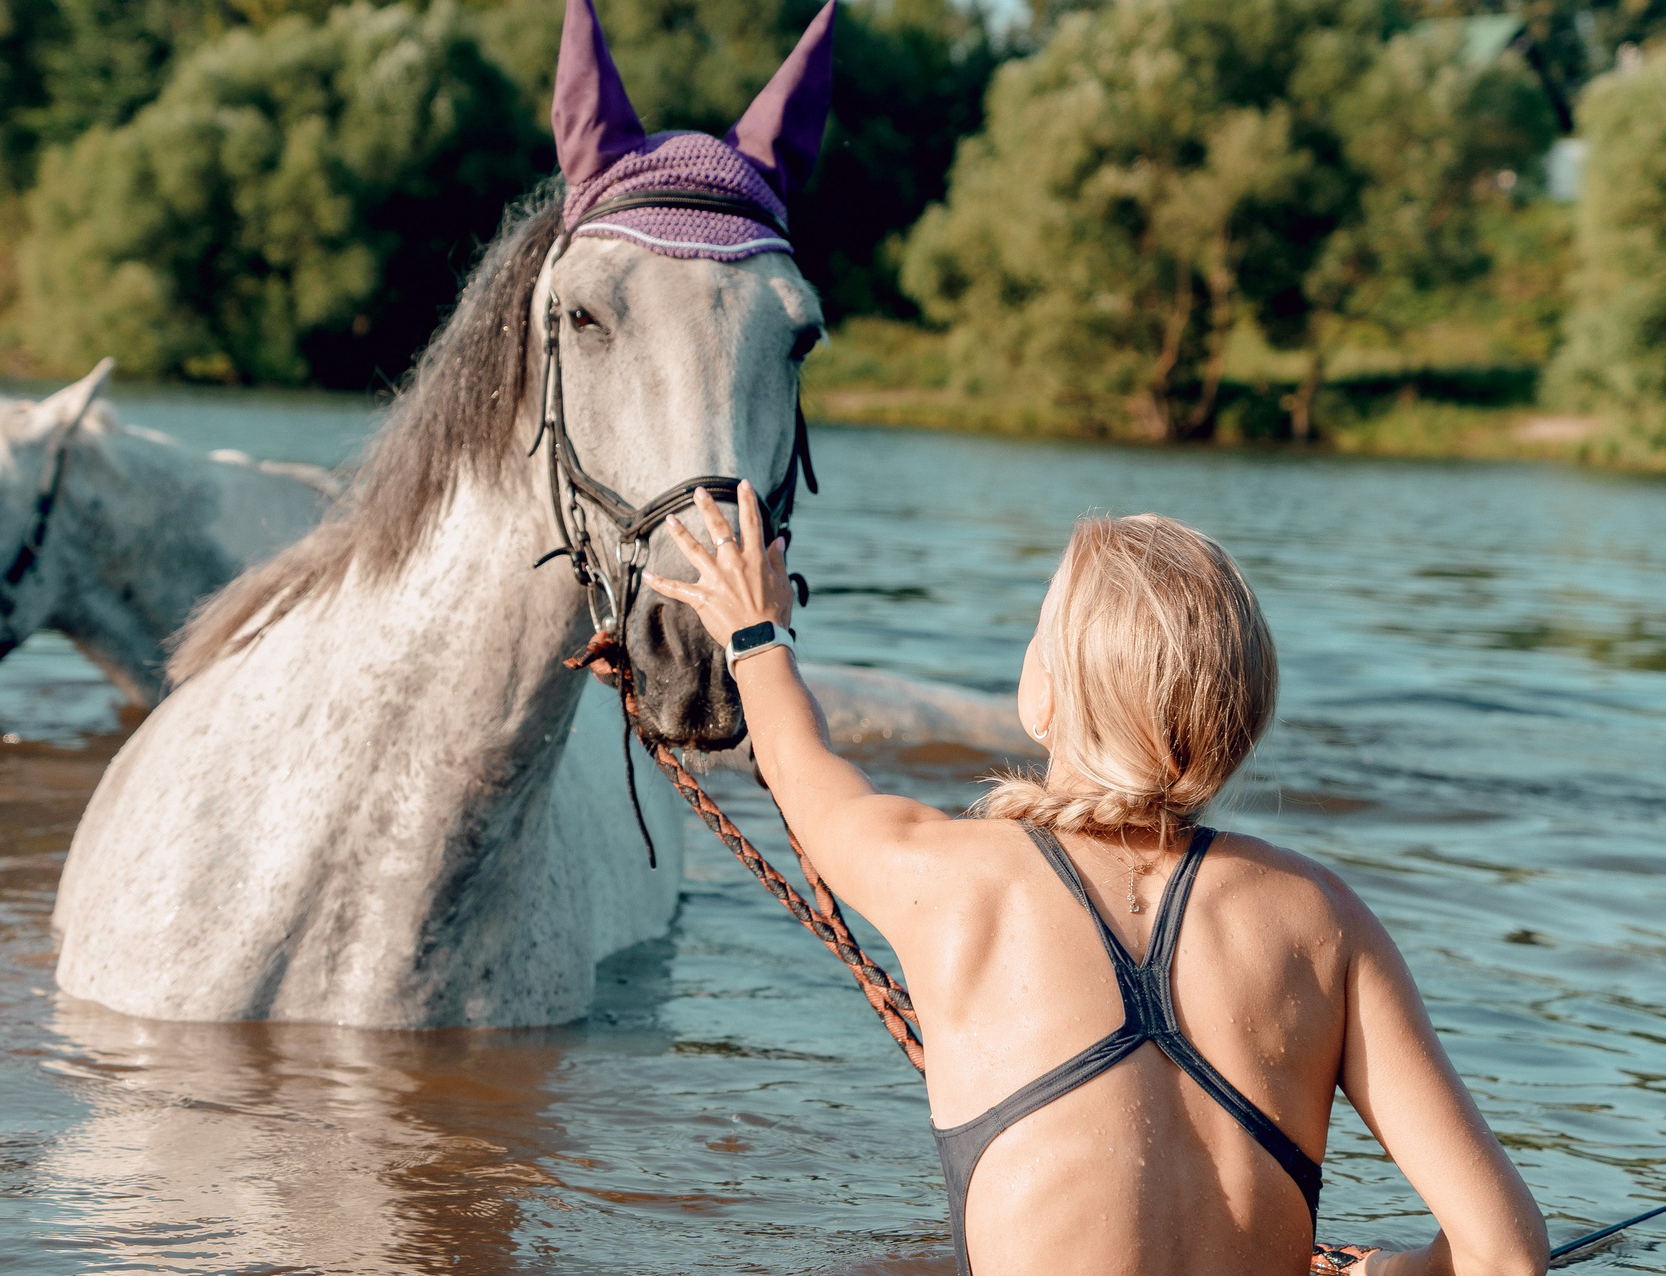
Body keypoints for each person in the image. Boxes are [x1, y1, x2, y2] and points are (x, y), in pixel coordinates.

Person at [648, 488, 1549, 1276]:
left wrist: (756, 633)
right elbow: (1505, 1255)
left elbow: (803, 769)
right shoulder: (1323, 918)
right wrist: (1391, 1271)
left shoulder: (955, 877)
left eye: (1038, 631)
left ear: (1049, 695)